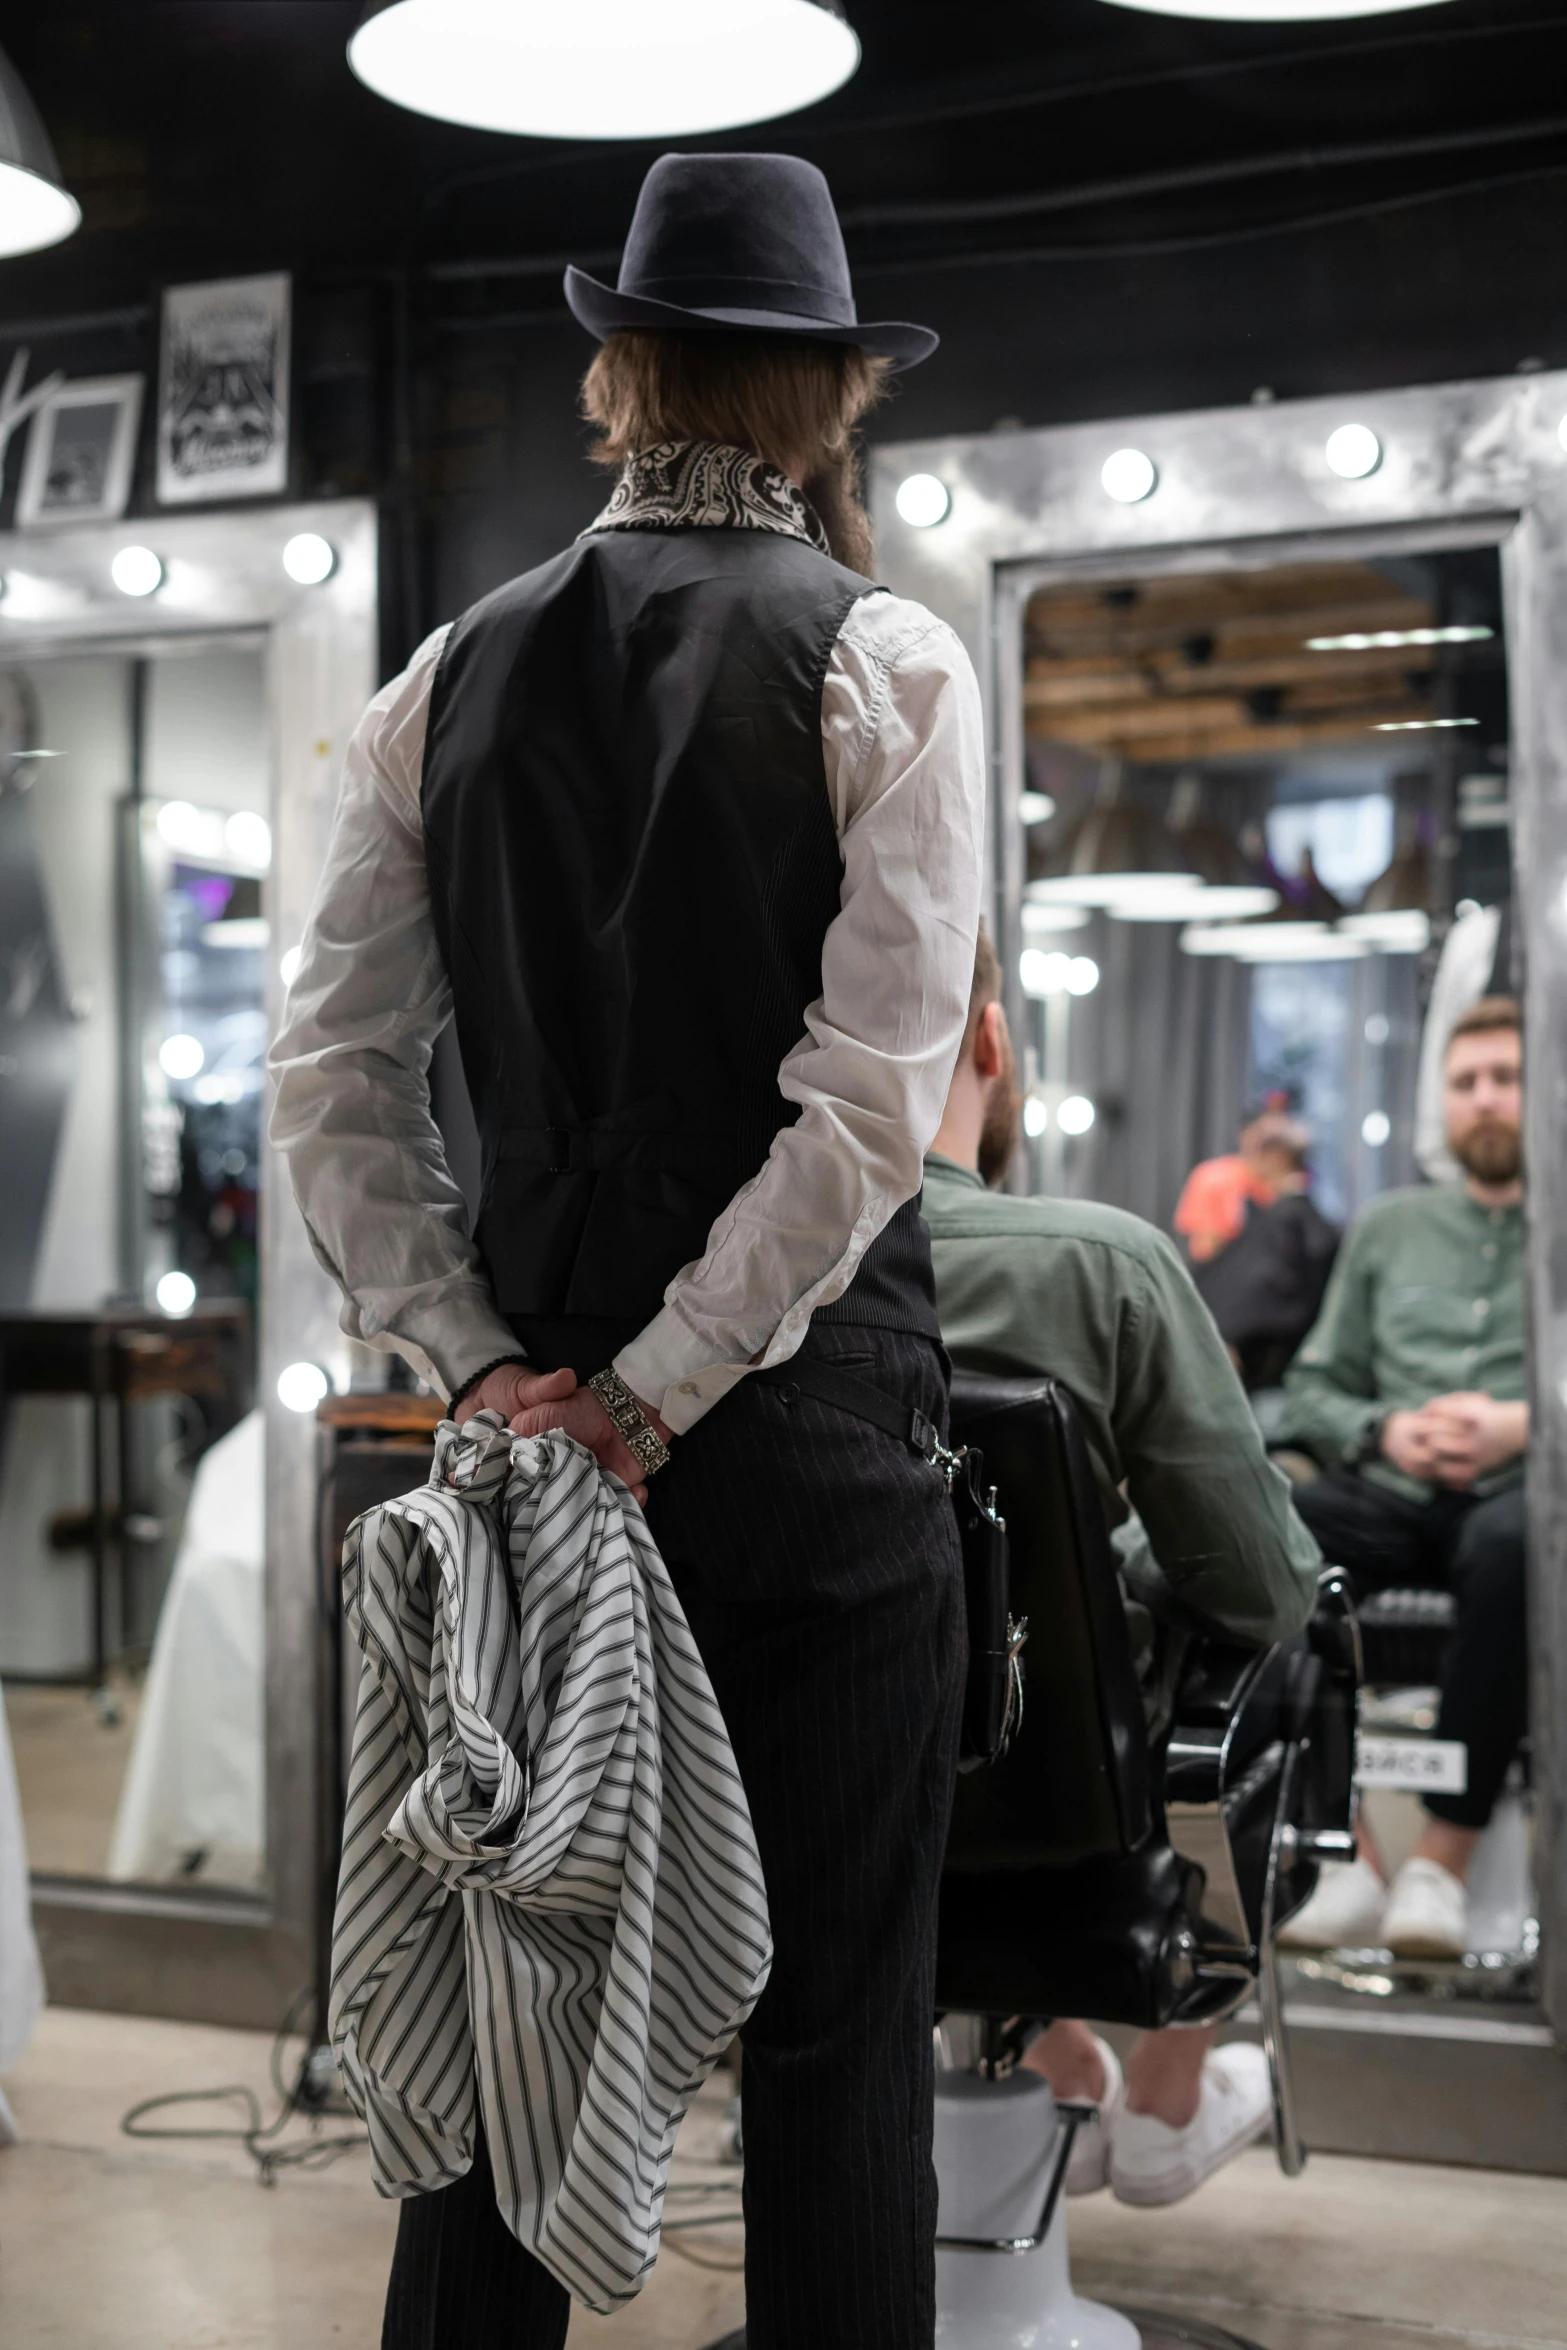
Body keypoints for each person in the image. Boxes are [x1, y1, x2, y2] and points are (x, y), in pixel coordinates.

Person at [270, 153, 984, 2350]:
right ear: (832, 398)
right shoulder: (885, 657)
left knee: (512, 2018)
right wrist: (673, 1384)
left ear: (616, 372)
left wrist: (494, 1366)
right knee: (837, 2051)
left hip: (529, 1460)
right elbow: (873, 1096)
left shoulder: (444, 678)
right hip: (805, 1455)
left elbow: (330, 1075)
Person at [924, 925, 1322, 2207]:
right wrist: (1124, 1554)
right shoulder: (1099, 1265)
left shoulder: (701, 1294)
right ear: (992, 1040)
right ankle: (1165, 2090)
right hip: (1060, 1821)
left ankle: (1053, 2053)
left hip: (773, 1834)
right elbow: (1257, 1586)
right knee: (1299, 1659)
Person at [1274, 996, 1526, 1960]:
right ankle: (1351, 1857)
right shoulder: (1387, 1229)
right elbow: (1310, 1393)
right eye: (1466, 1084)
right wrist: (1389, 1427)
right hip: (1396, 1489)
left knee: (1513, 1553)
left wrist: (1521, 1425)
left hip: (1516, 1499)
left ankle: (1441, 1864)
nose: (1486, 1100)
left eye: (1505, 1078)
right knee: (1279, 1530)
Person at [1188, 1130, 1339, 1392]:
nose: (1245, 1165)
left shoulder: (1279, 1224)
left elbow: (1254, 1296)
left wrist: (1226, 1334)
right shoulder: (1323, 1225)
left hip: (1264, 1369)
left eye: (1251, 1156)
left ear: (1275, 1157)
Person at [1174, 1101, 1313, 1266]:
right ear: (1246, 1136)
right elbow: (1206, 1251)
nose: (1270, 1152)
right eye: (1265, 1140)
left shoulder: (1290, 1185)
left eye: (1278, 1144)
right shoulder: (1215, 1178)